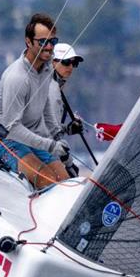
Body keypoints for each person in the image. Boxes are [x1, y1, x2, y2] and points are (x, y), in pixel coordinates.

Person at [0, 13, 69, 189]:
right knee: (47, 180)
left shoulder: (47, 67)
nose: (49, 47)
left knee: (65, 182)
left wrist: (57, 135)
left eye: (52, 42)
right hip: (6, 139)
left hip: (33, 140)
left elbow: (46, 106)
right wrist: (50, 145)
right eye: (42, 42)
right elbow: (13, 127)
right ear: (28, 42)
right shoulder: (17, 77)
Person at [48, 42, 86, 178]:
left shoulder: (54, 85)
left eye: (74, 63)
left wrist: (69, 129)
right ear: (53, 62)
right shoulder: (52, 89)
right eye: (66, 62)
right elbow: (51, 133)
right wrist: (69, 164)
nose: (70, 67)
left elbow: (49, 125)